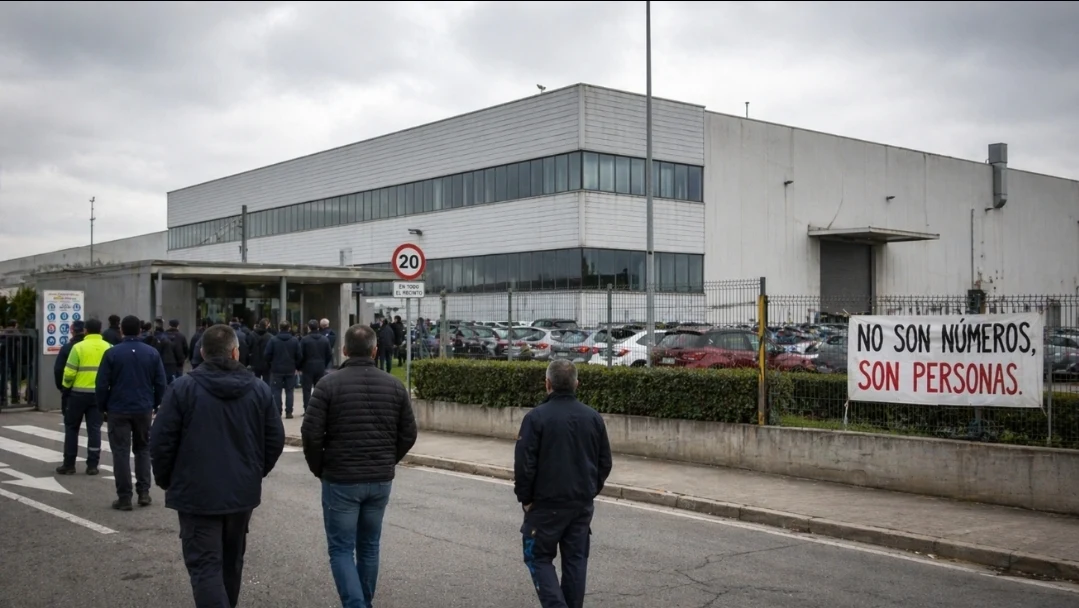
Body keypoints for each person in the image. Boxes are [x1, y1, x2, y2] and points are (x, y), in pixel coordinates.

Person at [150, 324, 285, 608]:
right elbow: (274, 440)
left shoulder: (182, 388)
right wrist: (253, 472)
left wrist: (167, 479)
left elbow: (161, 441)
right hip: (239, 492)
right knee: (230, 562)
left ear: (201, 353)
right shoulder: (259, 389)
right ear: (236, 352)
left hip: (195, 492)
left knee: (205, 566)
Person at [301, 324, 417, 608]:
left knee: (341, 548)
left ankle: (357, 604)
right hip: (379, 479)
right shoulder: (394, 385)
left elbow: (311, 433)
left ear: (344, 350)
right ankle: (364, 600)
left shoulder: (327, 385)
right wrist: (389, 459)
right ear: (376, 350)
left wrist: (320, 468)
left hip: (341, 478)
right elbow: (409, 433)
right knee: (369, 545)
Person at [514, 360, 613, 608]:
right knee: (576, 561)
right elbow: (605, 462)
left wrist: (526, 499)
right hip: (580, 504)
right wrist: (590, 489)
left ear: (547, 384)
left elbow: (524, 465)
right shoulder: (593, 418)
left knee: (537, 557)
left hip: (546, 504)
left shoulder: (536, 418)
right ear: (576, 384)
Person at [97, 315, 168, 510]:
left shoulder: (112, 353)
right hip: (143, 408)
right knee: (143, 449)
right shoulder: (152, 353)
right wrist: (156, 404)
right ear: (139, 331)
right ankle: (144, 492)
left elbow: (102, 383)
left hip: (118, 408)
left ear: (121, 331)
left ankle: (124, 497)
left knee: (120, 452)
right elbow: (160, 382)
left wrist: (103, 406)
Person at [57, 319, 110, 476]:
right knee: (94, 429)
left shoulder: (77, 347)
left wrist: (66, 388)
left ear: (85, 330)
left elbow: (69, 372)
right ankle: (92, 465)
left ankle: (69, 464)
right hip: (99, 395)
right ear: (100, 330)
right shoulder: (108, 347)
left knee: (72, 428)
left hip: (77, 395)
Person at [265, 321, 301, 418]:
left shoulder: (273, 340)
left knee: (276, 391)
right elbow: (299, 355)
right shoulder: (294, 340)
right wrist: (297, 366)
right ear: (289, 328)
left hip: (276, 369)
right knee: (290, 391)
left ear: (279, 328)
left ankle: (277, 411)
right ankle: (289, 411)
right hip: (290, 368)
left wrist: (271, 364)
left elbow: (267, 355)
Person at [299, 320, 333, 414]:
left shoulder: (304, 340)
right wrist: (324, 364)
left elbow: (300, 354)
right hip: (320, 366)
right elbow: (329, 354)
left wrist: (300, 366)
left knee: (306, 390)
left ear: (309, 328)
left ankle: (307, 409)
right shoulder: (324, 339)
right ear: (318, 327)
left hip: (307, 367)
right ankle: (319, 408)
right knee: (320, 389)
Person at [53, 320, 86, 416]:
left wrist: (62, 387)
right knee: (94, 427)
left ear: (72, 331)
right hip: (92, 391)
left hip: (71, 391)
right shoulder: (93, 347)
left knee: (71, 425)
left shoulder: (67, 348)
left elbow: (58, 370)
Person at [162, 320, 189, 385]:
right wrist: (183, 359)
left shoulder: (163, 336)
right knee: (178, 383)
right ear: (178, 326)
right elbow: (186, 349)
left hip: (165, 363)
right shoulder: (181, 336)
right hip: (178, 364)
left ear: (169, 326)